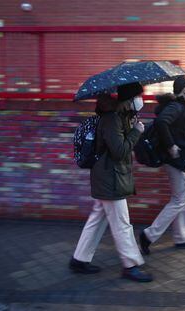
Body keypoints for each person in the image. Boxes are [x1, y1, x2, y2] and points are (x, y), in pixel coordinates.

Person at [69, 82, 153, 282]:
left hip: (109, 177)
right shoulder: (111, 119)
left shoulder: (119, 118)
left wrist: (132, 126)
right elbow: (120, 150)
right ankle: (130, 265)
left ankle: (79, 260)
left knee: (97, 219)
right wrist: (136, 132)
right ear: (130, 100)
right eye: (139, 97)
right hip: (110, 178)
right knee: (122, 224)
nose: (142, 100)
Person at [139, 76, 185, 254]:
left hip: (182, 159)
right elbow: (161, 122)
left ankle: (182, 237)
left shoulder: (180, 106)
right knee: (179, 199)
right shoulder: (176, 107)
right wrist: (171, 145)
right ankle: (149, 235)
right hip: (177, 160)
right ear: (184, 90)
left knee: (183, 198)